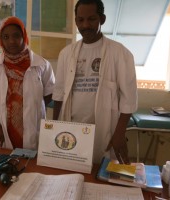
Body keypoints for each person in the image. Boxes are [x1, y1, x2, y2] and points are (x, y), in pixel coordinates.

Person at [52, 0, 138, 164]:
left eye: (91, 19)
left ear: (102, 19)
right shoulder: (66, 54)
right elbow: (59, 94)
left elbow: (129, 99)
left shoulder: (120, 54)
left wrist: (120, 133)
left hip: (105, 128)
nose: (85, 25)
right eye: (80, 20)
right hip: (71, 126)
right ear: (76, 21)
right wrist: (55, 127)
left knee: (101, 172)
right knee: (71, 170)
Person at [0, 16, 55, 150]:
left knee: (30, 168)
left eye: (16, 36)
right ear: (1, 40)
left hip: (33, 131)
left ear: (24, 36)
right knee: (3, 168)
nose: (11, 41)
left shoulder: (42, 65)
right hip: (2, 132)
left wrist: (31, 106)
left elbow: (49, 94)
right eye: (6, 37)